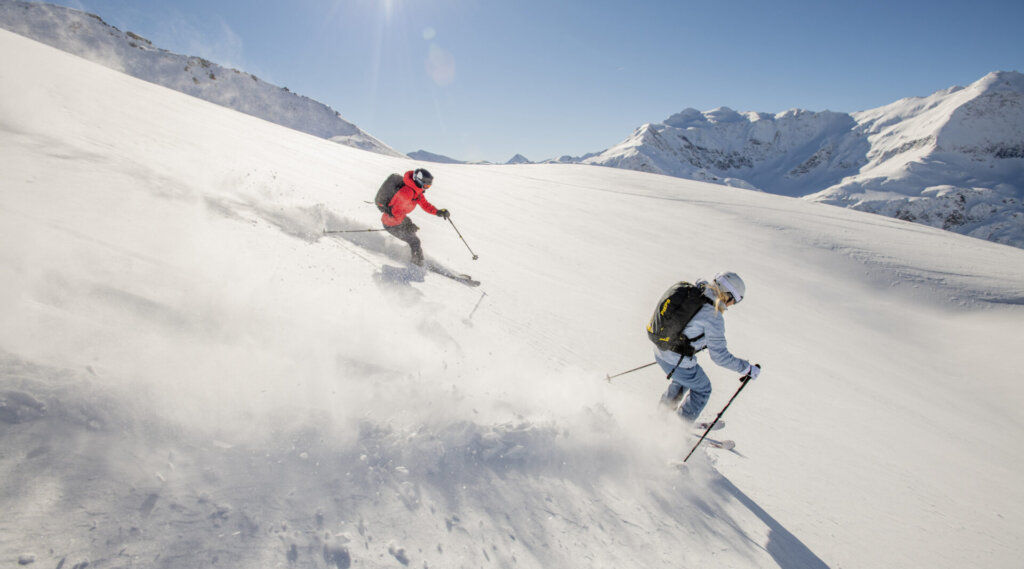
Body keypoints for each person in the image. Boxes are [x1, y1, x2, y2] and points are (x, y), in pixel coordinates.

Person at [655, 271, 760, 423]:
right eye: (735, 301)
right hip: (675, 359)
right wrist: (746, 368)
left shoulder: (698, 292)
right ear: (728, 294)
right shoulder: (713, 316)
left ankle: (662, 417)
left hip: (661, 349)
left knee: (685, 379)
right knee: (703, 388)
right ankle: (679, 428)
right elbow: (720, 357)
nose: (732, 305)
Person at [378, 168, 449, 266]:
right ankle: (416, 265)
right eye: (426, 185)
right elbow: (395, 212)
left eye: (429, 186)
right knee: (415, 241)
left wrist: (438, 212)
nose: (426, 188)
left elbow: (425, 204)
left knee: (414, 239)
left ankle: (417, 259)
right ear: (419, 181)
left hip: (398, 221)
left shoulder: (416, 191)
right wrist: (407, 224)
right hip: (391, 223)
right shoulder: (406, 192)